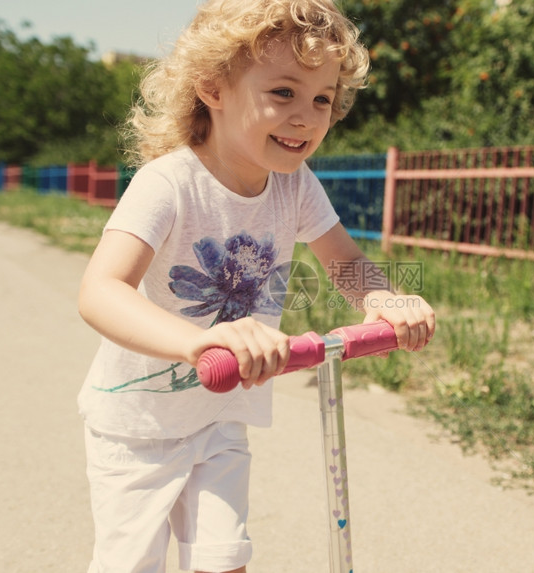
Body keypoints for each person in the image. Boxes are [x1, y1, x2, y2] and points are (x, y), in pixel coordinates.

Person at [76, 0, 435, 571]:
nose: (307, 116)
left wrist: (386, 300)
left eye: (322, 99)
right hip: (138, 427)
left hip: (220, 418)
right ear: (213, 89)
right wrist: (197, 343)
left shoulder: (294, 186)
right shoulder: (168, 183)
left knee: (225, 561)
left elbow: (344, 262)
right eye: (284, 93)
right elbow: (100, 291)